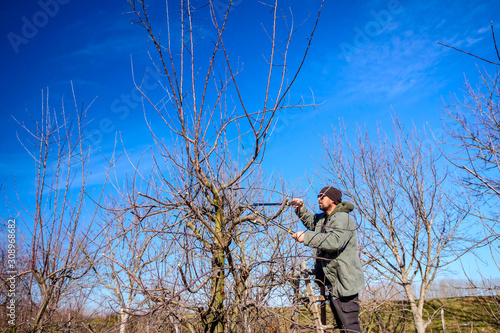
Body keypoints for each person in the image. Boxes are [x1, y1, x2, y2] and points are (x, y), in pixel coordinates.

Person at [290, 186, 364, 332]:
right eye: (318, 196)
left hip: (345, 284)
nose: (319, 199)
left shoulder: (343, 218)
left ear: (332, 200)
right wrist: (300, 208)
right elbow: (311, 222)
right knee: (343, 328)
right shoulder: (323, 219)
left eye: (322, 196)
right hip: (334, 284)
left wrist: (306, 237)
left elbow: (335, 241)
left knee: (350, 328)